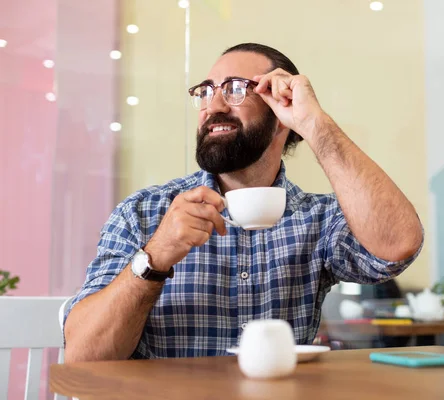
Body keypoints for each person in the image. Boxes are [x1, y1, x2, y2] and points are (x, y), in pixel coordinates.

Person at [63, 43, 424, 362]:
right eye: (205, 92)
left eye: (236, 89)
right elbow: (85, 355)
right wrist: (155, 256)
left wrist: (314, 124)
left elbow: (398, 247)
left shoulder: (318, 218)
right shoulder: (143, 214)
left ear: (282, 114)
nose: (213, 105)